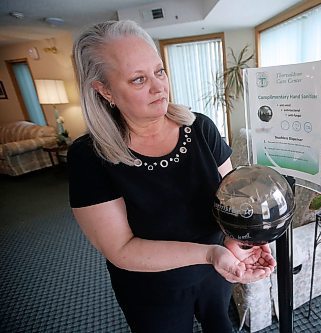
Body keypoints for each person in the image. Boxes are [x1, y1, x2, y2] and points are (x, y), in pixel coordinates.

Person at [69, 20, 276, 333]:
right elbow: (121, 248)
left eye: (159, 71)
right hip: (151, 286)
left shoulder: (202, 129)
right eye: (138, 79)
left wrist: (240, 238)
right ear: (104, 90)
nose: (158, 87)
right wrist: (210, 253)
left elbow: (232, 205)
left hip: (216, 271)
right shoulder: (89, 156)